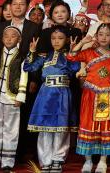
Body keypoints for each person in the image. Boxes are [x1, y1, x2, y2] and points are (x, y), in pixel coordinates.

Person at [69, 23, 110, 173]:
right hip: (90, 95)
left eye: (107, 35)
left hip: (107, 96)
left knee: (105, 127)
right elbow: (71, 56)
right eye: (100, 34)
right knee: (88, 125)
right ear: (96, 36)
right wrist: (82, 42)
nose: (104, 37)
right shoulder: (88, 53)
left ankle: (103, 161)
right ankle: (88, 161)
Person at [25, 28, 81, 173]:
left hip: (62, 94)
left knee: (61, 129)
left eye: (60, 38)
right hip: (45, 94)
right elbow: (28, 67)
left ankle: (58, 159)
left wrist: (73, 52)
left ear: (66, 40)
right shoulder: (44, 56)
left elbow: (75, 68)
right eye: (53, 38)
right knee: (45, 129)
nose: (56, 41)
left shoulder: (68, 56)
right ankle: (45, 160)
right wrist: (32, 52)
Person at [0, 25, 28, 172]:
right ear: (2, 38)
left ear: (19, 39)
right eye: (6, 36)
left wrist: (20, 95)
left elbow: (24, 76)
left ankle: (7, 162)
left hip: (12, 96)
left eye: (13, 36)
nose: (9, 39)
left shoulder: (22, 56)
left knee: (11, 129)